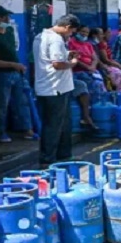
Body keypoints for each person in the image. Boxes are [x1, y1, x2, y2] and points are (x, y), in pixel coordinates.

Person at [0, 6, 36, 143]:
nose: (7, 19)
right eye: (3, 16)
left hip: (16, 73)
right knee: (2, 105)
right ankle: (0, 131)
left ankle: (27, 129)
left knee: (22, 102)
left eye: (7, 16)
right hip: (1, 75)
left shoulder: (10, 31)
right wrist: (13, 65)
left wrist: (17, 66)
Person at [34, 14, 81, 166]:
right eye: (71, 32)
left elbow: (46, 58)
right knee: (53, 126)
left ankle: (63, 155)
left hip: (51, 87)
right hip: (55, 88)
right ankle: (47, 160)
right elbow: (57, 64)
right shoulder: (56, 39)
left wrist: (66, 54)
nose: (71, 35)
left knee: (63, 124)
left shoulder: (41, 36)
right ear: (67, 27)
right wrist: (73, 62)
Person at [91, 28, 121, 92]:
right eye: (108, 33)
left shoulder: (106, 44)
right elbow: (106, 60)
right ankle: (118, 94)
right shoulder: (101, 45)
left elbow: (111, 59)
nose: (110, 34)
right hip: (105, 66)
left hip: (109, 64)